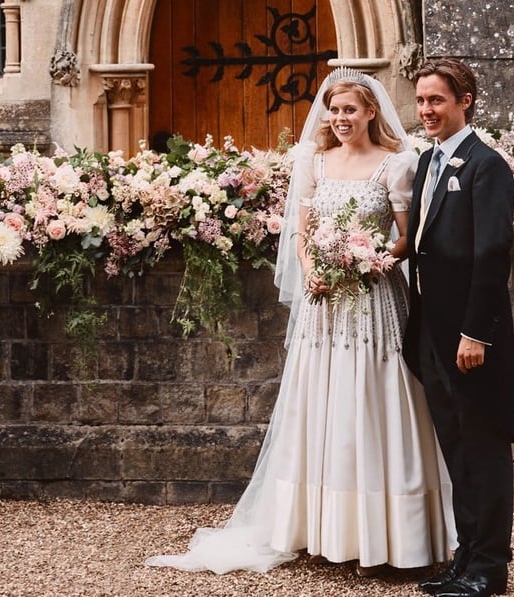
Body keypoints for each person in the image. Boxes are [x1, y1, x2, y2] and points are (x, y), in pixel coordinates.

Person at [145, 68, 454, 576]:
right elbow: (301, 234)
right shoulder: (314, 160)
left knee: (376, 405)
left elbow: (407, 236)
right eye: (334, 110)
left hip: (374, 302)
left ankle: (391, 535)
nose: (341, 118)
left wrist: (370, 261)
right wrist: (314, 272)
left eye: (350, 109)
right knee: (323, 404)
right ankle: (320, 529)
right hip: (323, 305)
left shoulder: (397, 165)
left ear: (371, 112)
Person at [405, 59, 514, 597]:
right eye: (422, 100)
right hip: (433, 332)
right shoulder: (429, 161)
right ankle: (465, 558)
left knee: (484, 449)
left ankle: (489, 570)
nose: (426, 110)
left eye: (437, 101)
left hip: (472, 339)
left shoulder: (486, 165)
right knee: (456, 449)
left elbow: (493, 255)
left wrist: (475, 333)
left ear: (465, 100)